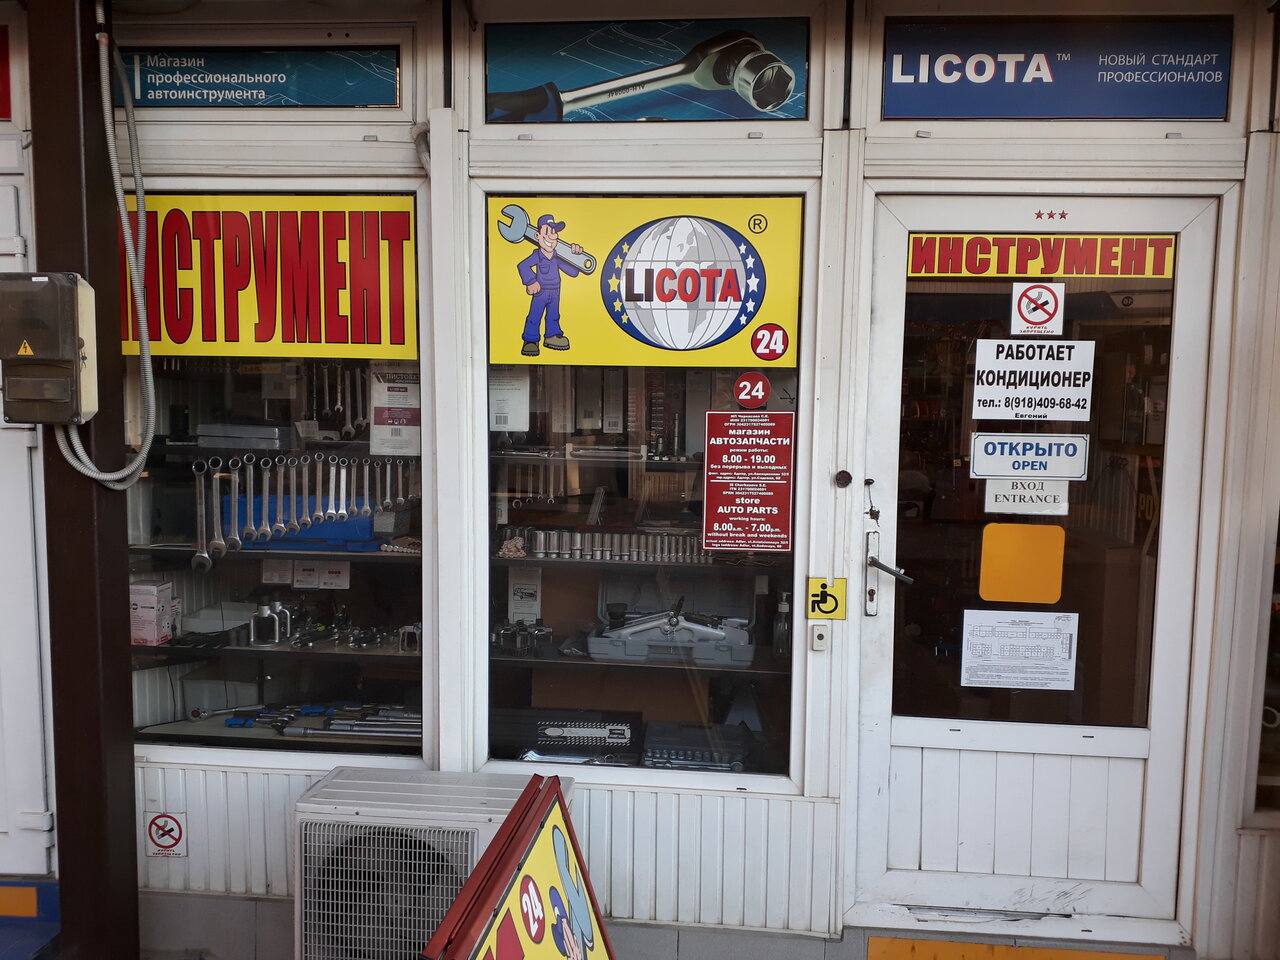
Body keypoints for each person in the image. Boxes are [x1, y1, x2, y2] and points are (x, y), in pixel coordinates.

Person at [517, 214, 583, 357]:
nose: (552, 237)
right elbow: (523, 266)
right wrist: (531, 281)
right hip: (540, 292)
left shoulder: (558, 257)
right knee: (535, 315)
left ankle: (552, 336)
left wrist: (576, 257)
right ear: (537, 236)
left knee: (553, 315)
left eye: (554, 233)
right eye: (547, 232)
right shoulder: (537, 255)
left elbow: (573, 272)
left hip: (555, 292)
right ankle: (530, 340)